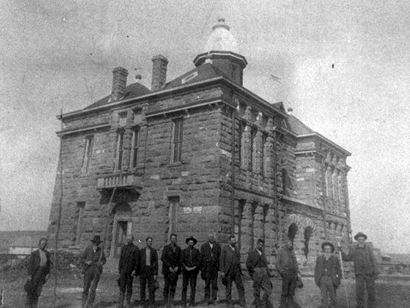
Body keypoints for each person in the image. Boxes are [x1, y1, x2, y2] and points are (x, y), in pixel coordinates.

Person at [338, 232, 379, 308]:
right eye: (359, 239)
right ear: (357, 240)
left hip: (369, 273)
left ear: (364, 240)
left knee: (371, 292)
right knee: (359, 293)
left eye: (362, 239)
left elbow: (373, 260)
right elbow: (348, 258)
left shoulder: (368, 249)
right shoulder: (354, 249)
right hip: (359, 274)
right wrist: (341, 251)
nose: (361, 241)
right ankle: (360, 306)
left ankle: (371, 306)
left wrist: (376, 272)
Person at [220, 235, 246, 308]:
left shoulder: (236, 249)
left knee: (240, 286)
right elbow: (221, 260)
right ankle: (229, 303)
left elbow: (238, 260)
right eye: (233, 240)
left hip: (236, 271)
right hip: (228, 271)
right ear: (229, 241)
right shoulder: (225, 248)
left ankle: (242, 301)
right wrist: (222, 271)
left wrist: (240, 271)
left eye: (235, 240)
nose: (234, 242)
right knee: (228, 287)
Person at [81, 235, 106, 308]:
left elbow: (104, 260)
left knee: (93, 289)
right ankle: (84, 304)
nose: (96, 244)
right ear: (93, 243)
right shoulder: (88, 249)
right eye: (95, 243)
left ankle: (90, 304)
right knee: (86, 288)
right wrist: (86, 261)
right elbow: (82, 259)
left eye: (97, 243)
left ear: (99, 244)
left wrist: (101, 263)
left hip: (97, 272)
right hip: (88, 271)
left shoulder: (101, 251)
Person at [246, 239, 273, 308]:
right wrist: (253, 270)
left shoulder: (263, 253)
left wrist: (268, 273)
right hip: (257, 272)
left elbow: (266, 264)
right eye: (260, 245)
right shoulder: (252, 253)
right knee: (257, 290)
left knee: (268, 288)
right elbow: (248, 263)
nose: (261, 246)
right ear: (257, 244)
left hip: (264, 272)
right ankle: (257, 304)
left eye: (262, 245)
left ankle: (264, 301)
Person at [25, 237, 51, 308]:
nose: (43, 245)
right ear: (39, 244)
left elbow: (48, 265)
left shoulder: (47, 253)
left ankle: (34, 306)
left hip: (42, 275)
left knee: (37, 292)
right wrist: (29, 276)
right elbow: (30, 265)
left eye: (45, 244)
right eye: (42, 244)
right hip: (34, 274)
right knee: (31, 291)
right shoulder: (34, 253)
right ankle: (28, 306)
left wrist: (48, 274)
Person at [314, 242, 341, 308]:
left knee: (333, 296)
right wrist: (317, 279)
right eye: (325, 249)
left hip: (331, 279)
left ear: (331, 250)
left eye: (329, 249)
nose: (327, 250)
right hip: (322, 278)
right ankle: (325, 306)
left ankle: (332, 306)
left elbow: (338, 270)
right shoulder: (320, 258)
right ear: (323, 249)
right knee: (324, 296)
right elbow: (316, 269)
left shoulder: (334, 258)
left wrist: (337, 279)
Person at [276, 239, 300, 308]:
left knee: (291, 291)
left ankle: (290, 304)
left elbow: (295, 263)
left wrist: (297, 272)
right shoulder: (281, 251)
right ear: (286, 244)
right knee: (285, 291)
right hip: (286, 273)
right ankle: (283, 305)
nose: (291, 245)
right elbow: (277, 263)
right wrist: (282, 272)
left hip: (293, 274)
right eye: (289, 243)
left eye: (291, 244)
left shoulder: (292, 252)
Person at [117, 234, 140, 308]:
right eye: (128, 239)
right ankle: (121, 303)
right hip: (123, 270)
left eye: (130, 239)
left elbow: (137, 261)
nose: (128, 240)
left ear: (132, 240)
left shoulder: (135, 249)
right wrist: (120, 269)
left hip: (130, 271)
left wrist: (135, 270)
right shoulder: (124, 248)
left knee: (129, 287)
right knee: (122, 286)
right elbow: (121, 259)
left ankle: (128, 303)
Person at [200, 232, 221, 305]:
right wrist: (203, 268)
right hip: (207, 268)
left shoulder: (217, 246)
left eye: (212, 237)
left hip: (214, 268)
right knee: (207, 284)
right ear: (208, 238)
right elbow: (201, 257)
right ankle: (207, 299)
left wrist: (219, 267)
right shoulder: (204, 246)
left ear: (214, 238)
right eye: (210, 237)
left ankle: (214, 299)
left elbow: (219, 257)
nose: (211, 238)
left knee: (214, 284)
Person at [161, 233, 182, 307]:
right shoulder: (166, 247)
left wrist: (177, 266)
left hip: (175, 271)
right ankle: (166, 302)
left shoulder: (178, 248)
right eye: (172, 238)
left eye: (175, 238)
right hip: (167, 270)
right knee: (166, 286)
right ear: (170, 239)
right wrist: (169, 266)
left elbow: (180, 259)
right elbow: (163, 258)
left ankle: (172, 302)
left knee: (173, 286)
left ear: (176, 239)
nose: (174, 240)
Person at [181, 236, 201, 307]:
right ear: (187, 243)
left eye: (192, 242)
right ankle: (183, 302)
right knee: (184, 287)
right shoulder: (183, 251)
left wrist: (194, 267)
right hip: (186, 271)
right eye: (189, 242)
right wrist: (186, 267)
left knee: (193, 287)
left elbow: (199, 261)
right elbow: (182, 261)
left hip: (193, 271)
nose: (191, 243)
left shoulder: (197, 251)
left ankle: (192, 302)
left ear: (194, 243)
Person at [139, 236, 158, 308]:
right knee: (142, 287)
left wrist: (155, 273)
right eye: (148, 241)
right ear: (146, 242)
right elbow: (139, 262)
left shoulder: (153, 251)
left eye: (151, 241)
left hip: (151, 271)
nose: (150, 242)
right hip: (143, 271)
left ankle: (151, 303)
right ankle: (142, 302)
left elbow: (156, 263)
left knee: (151, 288)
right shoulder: (142, 251)